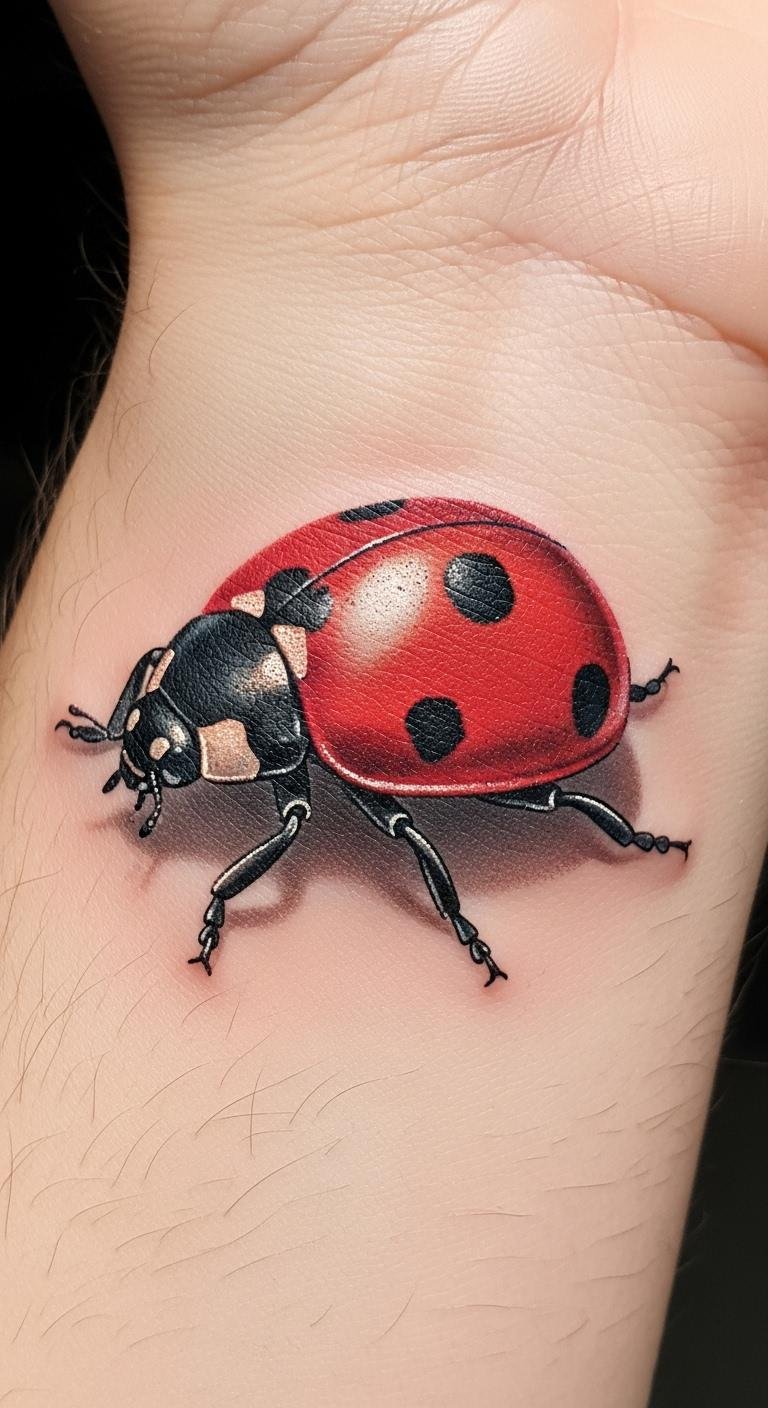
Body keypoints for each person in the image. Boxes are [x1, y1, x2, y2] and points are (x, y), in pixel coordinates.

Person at [1, 3, 766, 1404]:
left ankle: (607, 836)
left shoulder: (306, 735)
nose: (152, 768)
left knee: (492, 803)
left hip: (538, 644)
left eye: (158, 744)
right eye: (156, 739)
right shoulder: (243, 622)